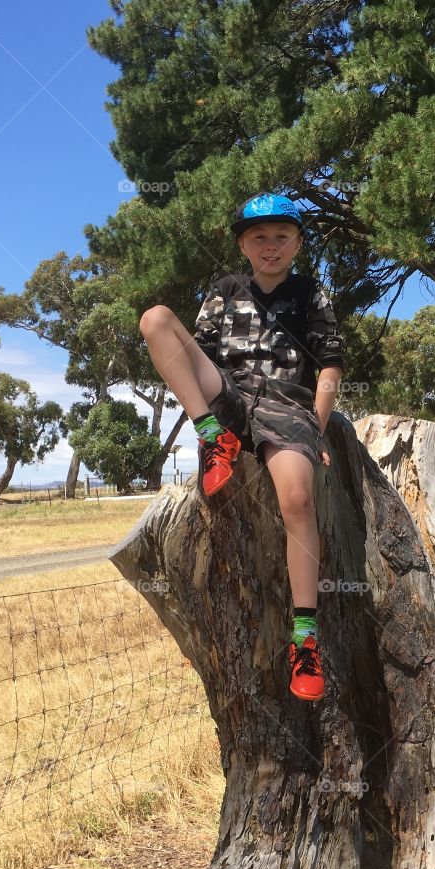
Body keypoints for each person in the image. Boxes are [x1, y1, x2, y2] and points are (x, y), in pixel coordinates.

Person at [139, 193, 345, 702]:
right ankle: (213, 438)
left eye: (281, 236)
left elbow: (329, 367)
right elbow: (198, 356)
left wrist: (317, 431)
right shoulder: (226, 289)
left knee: (297, 499)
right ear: (242, 245)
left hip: (286, 407)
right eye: (258, 237)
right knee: (156, 319)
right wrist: (212, 413)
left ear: (297, 243)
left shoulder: (310, 293)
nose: (270, 246)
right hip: (227, 398)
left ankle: (304, 641)